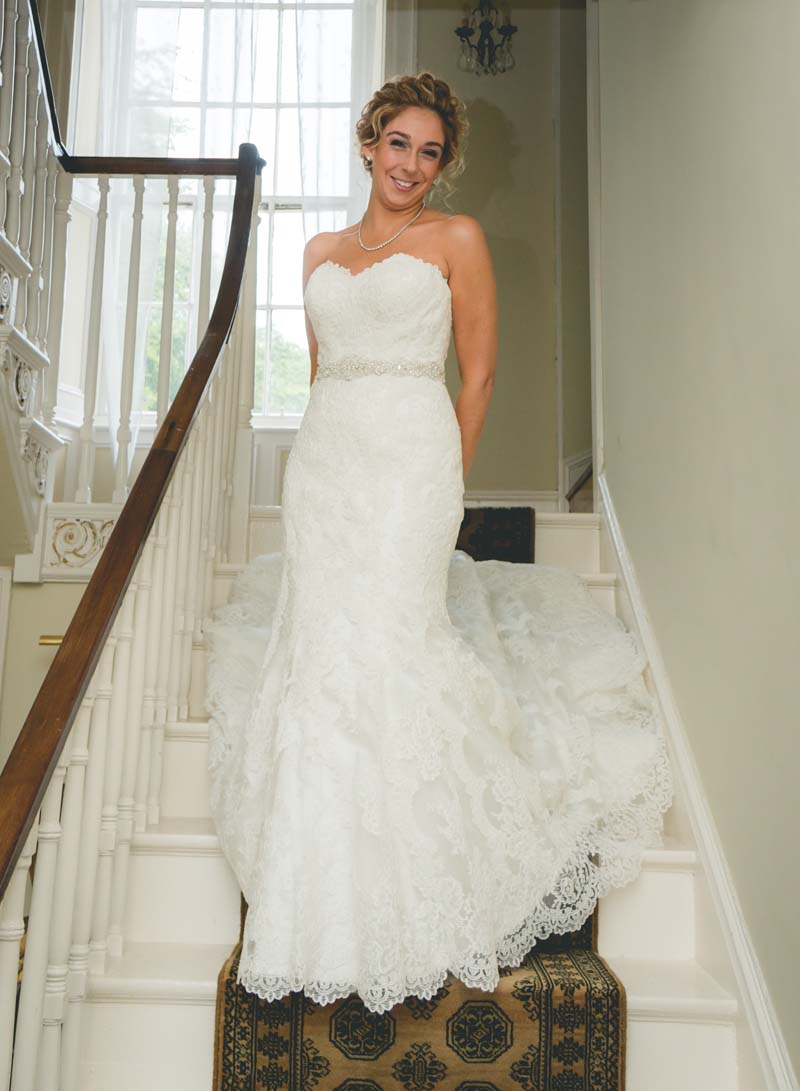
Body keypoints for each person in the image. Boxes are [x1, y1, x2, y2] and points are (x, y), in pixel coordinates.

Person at [205, 71, 673, 1015]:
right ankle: (317, 904)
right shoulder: (318, 251)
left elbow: (482, 369)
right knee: (323, 661)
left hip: (413, 463)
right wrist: (317, 469)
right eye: (398, 144)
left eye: (430, 152)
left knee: (394, 645)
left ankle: (428, 887)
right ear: (369, 143)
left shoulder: (456, 240)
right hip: (329, 467)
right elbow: (325, 372)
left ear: (442, 165)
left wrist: (445, 483)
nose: (411, 164)